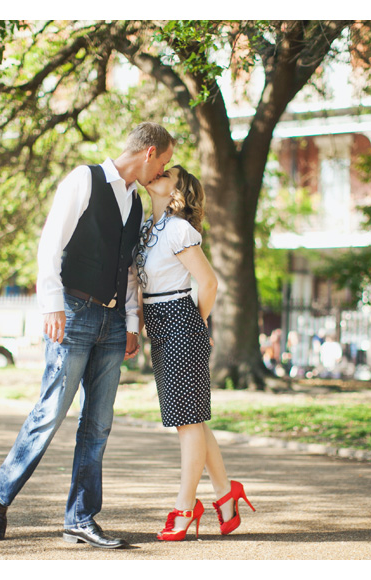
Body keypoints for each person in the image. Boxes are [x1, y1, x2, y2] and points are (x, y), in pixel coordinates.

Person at [0, 122, 175, 549]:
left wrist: (129, 324)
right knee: (51, 412)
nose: (162, 172)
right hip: (72, 311)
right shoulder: (83, 179)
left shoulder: (137, 202)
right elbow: (50, 243)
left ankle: (80, 519)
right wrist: (50, 304)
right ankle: (0, 492)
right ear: (149, 152)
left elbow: (127, 270)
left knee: (98, 425)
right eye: (163, 162)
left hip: (110, 325)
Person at [135, 165, 255, 542]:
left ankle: (185, 506)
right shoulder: (147, 232)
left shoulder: (179, 229)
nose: (156, 173)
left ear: (178, 191)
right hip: (160, 322)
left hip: (180, 319)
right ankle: (225, 492)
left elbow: (208, 281)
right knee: (193, 419)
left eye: (166, 173)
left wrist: (196, 323)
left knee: (186, 422)